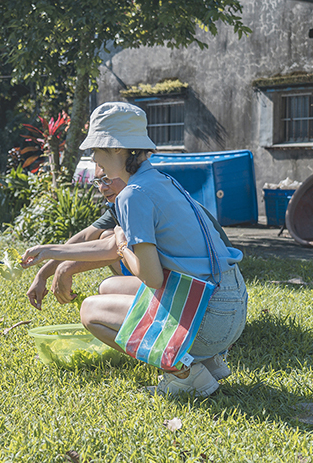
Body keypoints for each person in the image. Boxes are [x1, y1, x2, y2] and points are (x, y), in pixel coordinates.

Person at [21, 102, 247, 397]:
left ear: (117, 149)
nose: (94, 158)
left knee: (90, 310)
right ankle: (207, 361)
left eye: (96, 149)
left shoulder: (131, 195)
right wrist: (52, 252)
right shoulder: (159, 181)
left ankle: (186, 373)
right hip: (231, 304)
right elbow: (113, 247)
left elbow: (150, 276)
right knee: (110, 285)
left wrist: (122, 242)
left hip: (209, 316)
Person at [26, 165, 127, 310]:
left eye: (107, 179)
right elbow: (85, 236)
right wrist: (42, 275)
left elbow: (115, 249)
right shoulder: (118, 204)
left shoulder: (139, 198)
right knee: (107, 235)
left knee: (105, 291)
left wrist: (67, 268)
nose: (102, 188)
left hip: (161, 279)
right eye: (98, 181)